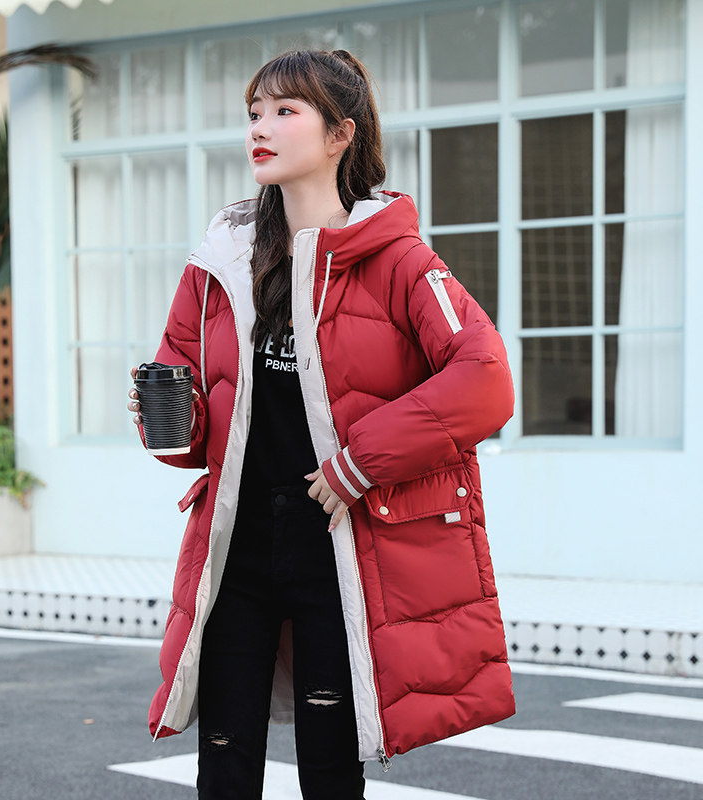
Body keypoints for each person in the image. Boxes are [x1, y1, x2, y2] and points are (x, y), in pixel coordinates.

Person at [127, 49, 515, 800]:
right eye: (254, 113)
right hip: (234, 544)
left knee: (330, 767)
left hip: (337, 542)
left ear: (340, 134)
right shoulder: (219, 263)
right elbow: (192, 420)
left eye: (284, 111)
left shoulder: (399, 260)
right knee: (223, 760)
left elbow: (485, 379)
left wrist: (357, 463)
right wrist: (168, 420)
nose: (260, 128)